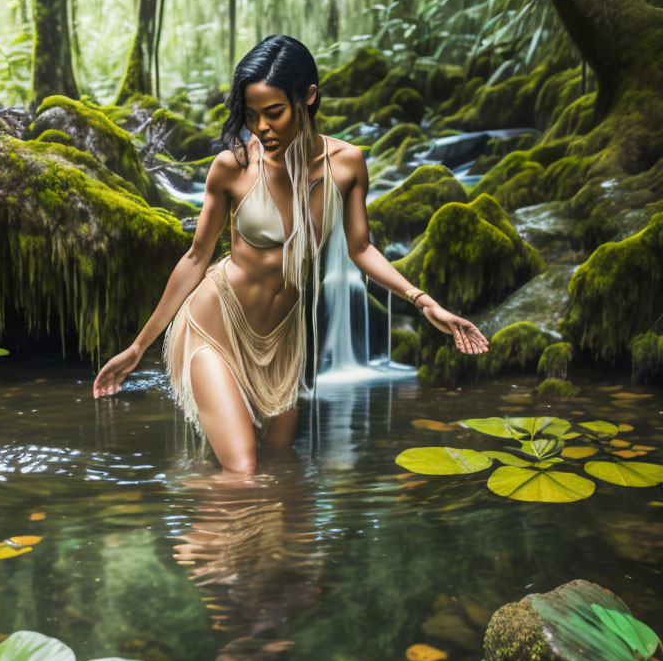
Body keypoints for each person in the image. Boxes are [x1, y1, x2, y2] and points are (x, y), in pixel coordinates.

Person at [93, 34, 489, 477]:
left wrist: (425, 302)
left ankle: (243, 542)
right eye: (252, 116)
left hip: (284, 341)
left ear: (308, 97)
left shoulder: (347, 164)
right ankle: (194, 549)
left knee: (282, 469)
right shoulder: (234, 166)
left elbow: (360, 249)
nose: (261, 128)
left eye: (274, 113)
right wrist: (138, 347)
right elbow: (194, 258)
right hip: (216, 327)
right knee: (243, 470)